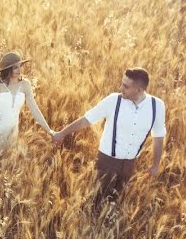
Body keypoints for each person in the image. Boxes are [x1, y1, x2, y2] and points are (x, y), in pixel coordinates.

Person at [51, 67, 166, 202]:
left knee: (116, 200)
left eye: (125, 86)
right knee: (95, 199)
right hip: (107, 161)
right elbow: (86, 120)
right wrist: (61, 133)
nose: (120, 88)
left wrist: (155, 165)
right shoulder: (113, 100)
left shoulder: (157, 106)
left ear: (139, 90)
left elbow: (158, 137)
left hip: (130, 163)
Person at [0, 51, 56, 172]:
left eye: (20, 66)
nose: (19, 69)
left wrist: (49, 130)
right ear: (8, 69)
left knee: (4, 168)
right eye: (15, 67)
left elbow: (34, 109)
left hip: (12, 133)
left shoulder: (25, 85)